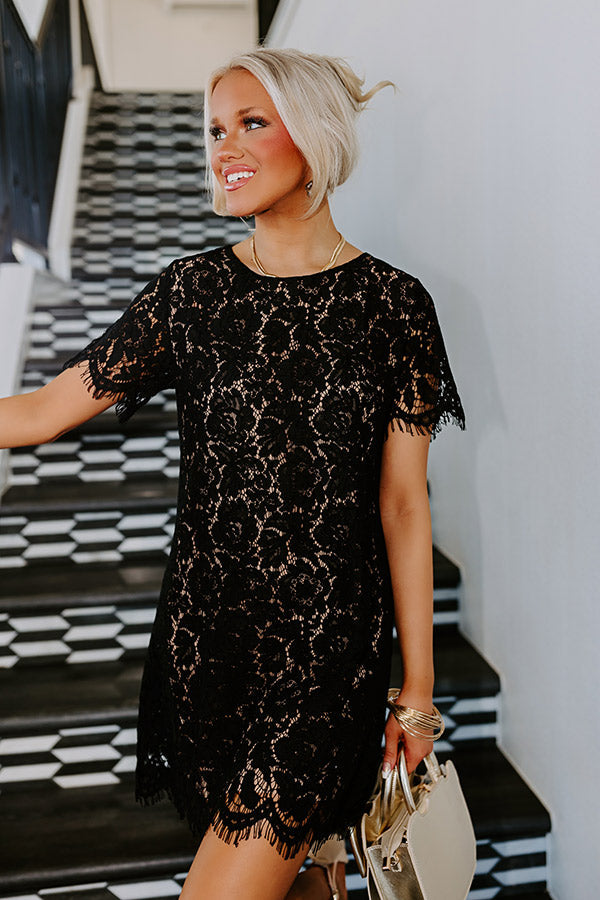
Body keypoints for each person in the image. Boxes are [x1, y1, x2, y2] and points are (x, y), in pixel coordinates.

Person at [0, 47, 466, 900]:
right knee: (297, 879)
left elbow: (402, 506)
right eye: (215, 130)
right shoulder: (190, 295)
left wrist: (418, 691)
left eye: (252, 122)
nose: (226, 148)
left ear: (314, 136)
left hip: (328, 652)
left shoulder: (394, 307)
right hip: (208, 644)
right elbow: (39, 413)